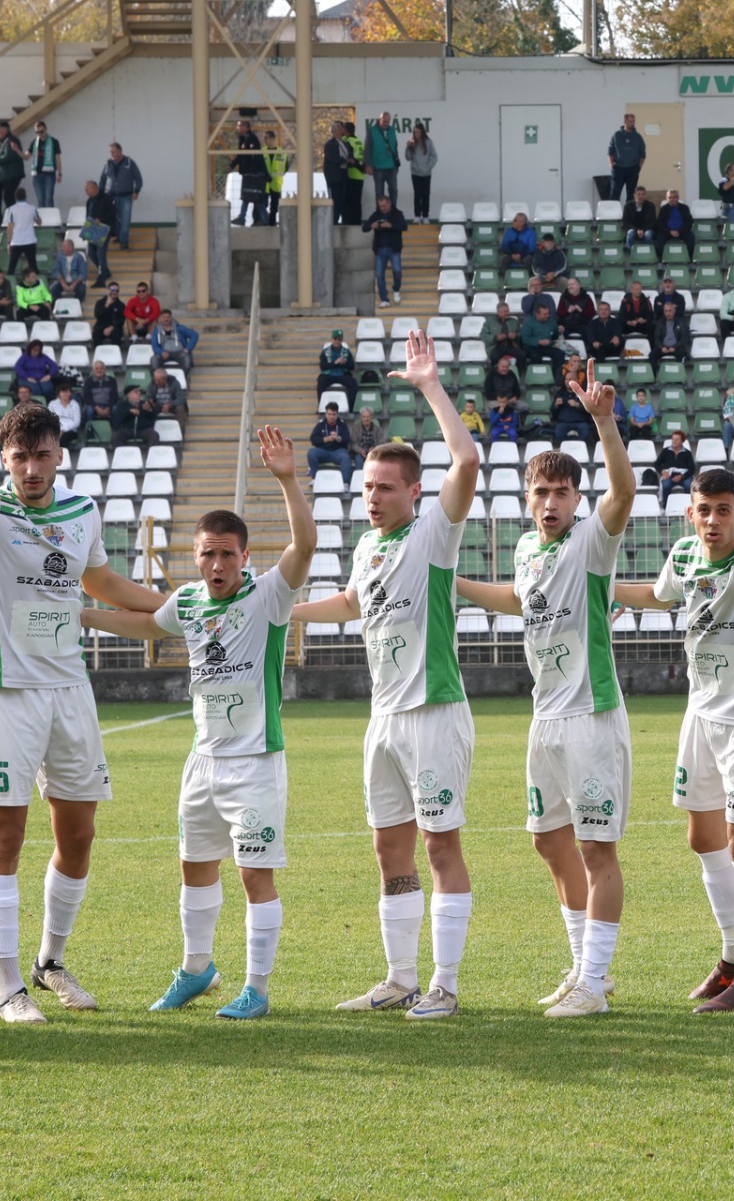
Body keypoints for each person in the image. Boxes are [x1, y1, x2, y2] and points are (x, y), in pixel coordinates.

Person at [0, 348, 167, 1024]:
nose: (30, 468)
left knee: (78, 834)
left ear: (59, 456)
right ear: (5, 459)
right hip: (7, 691)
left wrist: (177, 606)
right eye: (19, 457)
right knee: (5, 835)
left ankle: (49, 963)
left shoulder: (83, 511)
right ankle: (7, 987)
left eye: (41, 456)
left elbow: (100, 583)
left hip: (70, 691)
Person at [80, 429, 314, 1020]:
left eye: (227, 554)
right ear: (195, 555)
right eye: (207, 553)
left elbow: (305, 545)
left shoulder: (269, 596)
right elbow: (148, 625)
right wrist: (82, 614)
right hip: (202, 761)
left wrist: (287, 478)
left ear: (245, 557)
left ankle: (256, 989)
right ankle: (196, 970)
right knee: (194, 868)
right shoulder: (187, 601)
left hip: (255, 761)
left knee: (254, 875)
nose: (216, 564)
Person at [285, 333, 481, 1019]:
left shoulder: (435, 532)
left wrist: (429, 386)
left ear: (414, 491)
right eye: (367, 486)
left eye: (385, 487)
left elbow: (467, 459)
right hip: (385, 717)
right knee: (388, 844)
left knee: (439, 844)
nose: (371, 497)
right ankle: (399, 977)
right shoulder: (369, 544)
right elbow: (350, 603)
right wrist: (280, 609)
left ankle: (444, 983)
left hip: (433, 710)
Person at [450, 378, 636, 1015]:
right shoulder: (529, 547)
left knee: (595, 848)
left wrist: (604, 422)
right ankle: (584, 967)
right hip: (545, 716)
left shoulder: (592, 541)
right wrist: (452, 581)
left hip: (590, 715)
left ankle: (596, 983)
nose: (550, 502)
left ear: (576, 498)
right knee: (549, 840)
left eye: (561, 492)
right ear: (527, 498)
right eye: (541, 492)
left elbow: (624, 493)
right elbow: (516, 599)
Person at [614, 417, 734, 1012]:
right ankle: (731, 958)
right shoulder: (686, 554)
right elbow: (657, 594)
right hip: (701, 714)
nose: (713, 520)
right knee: (702, 836)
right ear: (690, 514)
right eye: (704, 510)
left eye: (723, 510)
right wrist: (597, 586)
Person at [363, 195, 408, 308]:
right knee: (379, 274)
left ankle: (396, 289)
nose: (382, 208)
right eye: (380, 206)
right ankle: (384, 299)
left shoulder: (397, 214)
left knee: (397, 270)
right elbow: (364, 228)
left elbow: (404, 226)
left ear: (389, 203)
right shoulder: (376, 215)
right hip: (380, 249)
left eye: (384, 206)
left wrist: (390, 225)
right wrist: (372, 225)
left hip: (394, 248)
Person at [100, 143, 143, 252]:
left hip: (126, 197)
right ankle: (119, 238)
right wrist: (101, 194)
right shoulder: (108, 163)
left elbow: (138, 178)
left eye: (113, 152)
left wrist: (136, 191)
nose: (111, 154)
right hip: (110, 197)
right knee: (115, 220)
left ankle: (124, 243)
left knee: (125, 220)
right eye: (110, 152)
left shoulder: (129, 163)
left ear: (120, 151)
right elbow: (103, 179)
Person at [230, 119, 267, 227]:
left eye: (239, 126)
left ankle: (260, 218)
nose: (237, 128)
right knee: (249, 195)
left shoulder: (250, 138)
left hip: (253, 174)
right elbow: (241, 155)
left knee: (254, 196)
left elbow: (253, 156)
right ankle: (244, 217)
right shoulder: (243, 139)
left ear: (246, 127)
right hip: (249, 173)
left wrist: (252, 171)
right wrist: (232, 165)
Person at [360, 112, 399, 208]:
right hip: (378, 167)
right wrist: (368, 164)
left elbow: (395, 147)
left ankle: (393, 211)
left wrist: (396, 164)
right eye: (384, 121)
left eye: (388, 121)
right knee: (379, 192)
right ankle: (380, 212)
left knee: (393, 190)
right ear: (379, 120)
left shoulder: (392, 130)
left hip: (391, 166)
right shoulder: (372, 130)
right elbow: (367, 148)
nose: (386, 123)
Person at [0, 125, 25, 216]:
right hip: (7, 175)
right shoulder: (5, 141)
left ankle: (13, 216)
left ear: (5, 130)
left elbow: (8, 156)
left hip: (12, 174)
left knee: (8, 196)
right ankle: (11, 216)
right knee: (7, 197)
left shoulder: (10, 140)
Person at [607, 114, 646, 205]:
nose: (632, 123)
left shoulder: (638, 137)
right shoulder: (617, 135)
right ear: (625, 122)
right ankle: (614, 212)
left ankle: (629, 212)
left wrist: (638, 167)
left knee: (631, 195)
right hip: (618, 168)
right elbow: (610, 152)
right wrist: (612, 166)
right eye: (630, 121)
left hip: (633, 168)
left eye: (633, 121)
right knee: (615, 193)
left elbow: (642, 155)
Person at [521, 296, 567, 370]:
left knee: (560, 354)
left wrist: (558, 331)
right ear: (537, 314)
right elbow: (525, 339)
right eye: (544, 314)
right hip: (532, 347)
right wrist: (538, 342)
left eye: (548, 313)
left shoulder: (551, 321)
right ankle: (537, 375)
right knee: (536, 356)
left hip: (547, 346)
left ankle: (555, 374)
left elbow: (554, 336)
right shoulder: (528, 322)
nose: (547, 316)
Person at [550, 374, 596, 446]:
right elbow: (553, 412)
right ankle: (566, 448)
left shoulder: (582, 393)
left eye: (570, 379)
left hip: (580, 423)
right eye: (566, 379)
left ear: (576, 381)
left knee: (585, 430)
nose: (568, 381)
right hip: (563, 422)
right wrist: (556, 405)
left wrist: (578, 405)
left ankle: (579, 447)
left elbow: (589, 410)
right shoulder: (559, 393)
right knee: (558, 431)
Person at [308, 403, 352, 476]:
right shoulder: (320, 425)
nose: (331, 417)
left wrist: (338, 438)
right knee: (311, 453)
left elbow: (347, 439)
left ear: (337, 414)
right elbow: (313, 439)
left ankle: (345, 481)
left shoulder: (342, 425)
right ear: (326, 414)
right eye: (329, 414)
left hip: (338, 451)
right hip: (323, 451)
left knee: (345, 456)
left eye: (334, 414)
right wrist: (326, 439)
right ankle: (314, 478)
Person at [404, 124, 437, 222]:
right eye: (415, 132)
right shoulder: (412, 143)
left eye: (418, 132)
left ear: (422, 132)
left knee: (426, 194)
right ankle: (417, 215)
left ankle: (425, 215)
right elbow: (408, 157)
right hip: (415, 173)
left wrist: (428, 167)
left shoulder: (428, 142)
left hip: (426, 174)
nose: (417, 134)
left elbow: (434, 156)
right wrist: (408, 147)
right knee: (417, 195)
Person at [4, 187, 40, 275]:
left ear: (15, 197)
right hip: (30, 240)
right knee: (33, 266)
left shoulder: (11, 209)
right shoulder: (32, 208)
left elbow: (10, 227)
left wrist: (8, 242)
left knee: (11, 267)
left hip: (17, 241)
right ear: (25, 196)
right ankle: (38, 281)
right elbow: (39, 222)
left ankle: (9, 281)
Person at [318, 329, 358, 407]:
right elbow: (323, 367)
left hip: (342, 375)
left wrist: (345, 363)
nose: (337, 341)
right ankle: (321, 406)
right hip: (329, 375)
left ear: (342, 340)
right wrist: (335, 362)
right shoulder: (325, 352)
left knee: (353, 383)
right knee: (321, 382)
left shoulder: (346, 351)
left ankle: (351, 407)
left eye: (339, 339)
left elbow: (352, 366)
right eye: (335, 339)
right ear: (332, 340)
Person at [112, 385, 160, 450]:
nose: (139, 393)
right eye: (136, 392)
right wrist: (129, 412)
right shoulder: (122, 405)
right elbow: (117, 419)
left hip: (143, 429)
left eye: (139, 392)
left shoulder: (146, 404)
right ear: (128, 395)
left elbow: (154, 417)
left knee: (153, 435)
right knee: (116, 436)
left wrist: (150, 410)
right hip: (127, 429)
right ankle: (121, 454)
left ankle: (151, 454)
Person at [28, 119, 62, 209]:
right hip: (37, 174)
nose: (40, 134)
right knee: (40, 200)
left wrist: (59, 173)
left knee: (48, 199)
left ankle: (51, 217)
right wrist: (17, 150)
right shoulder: (35, 142)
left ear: (46, 129)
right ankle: (42, 217)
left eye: (41, 131)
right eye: (37, 132)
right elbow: (27, 156)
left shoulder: (54, 141)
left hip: (49, 174)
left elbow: (57, 159)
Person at [654, 189, 695, 261]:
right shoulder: (663, 209)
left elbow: (689, 222)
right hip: (668, 232)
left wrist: (679, 231)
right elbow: (660, 224)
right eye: (670, 197)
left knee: (690, 238)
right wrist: (670, 231)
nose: (672, 199)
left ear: (678, 198)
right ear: (667, 198)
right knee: (659, 240)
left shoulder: (684, 208)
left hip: (682, 231)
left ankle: (690, 258)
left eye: (674, 197)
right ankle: (661, 259)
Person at [261, 129, 286, 227]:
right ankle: (263, 221)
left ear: (272, 139)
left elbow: (285, 167)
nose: (264, 140)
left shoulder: (281, 152)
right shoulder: (262, 152)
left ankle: (272, 223)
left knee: (274, 207)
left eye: (266, 138)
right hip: (264, 183)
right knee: (262, 204)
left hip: (276, 183)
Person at [51, 238, 88, 303]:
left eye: (64, 246)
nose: (62, 248)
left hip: (76, 281)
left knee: (81, 289)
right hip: (63, 281)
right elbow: (56, 271)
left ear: (71, 247)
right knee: (53, 289)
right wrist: (63, 284)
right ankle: (59, 305)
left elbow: (83, 273)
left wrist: (73, 284)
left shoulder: (79, 257)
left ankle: (76, 305)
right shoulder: (59, 257)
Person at [622, 186, 657, 253]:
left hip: (647, 229)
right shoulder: (628, 206)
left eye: (643, 194)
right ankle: (629, 253)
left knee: (648, 235)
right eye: (639, 194)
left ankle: (645, 254)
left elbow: (653, 222)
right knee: (630, 233)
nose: (641, 196)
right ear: (634, 195)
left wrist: (643, 230)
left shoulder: (651, 206)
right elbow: (626, 222)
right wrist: (636, 230)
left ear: (645, 195)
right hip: (633, 229)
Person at [49, 382, 84, 449]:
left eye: (67, 392)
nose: (65, 394)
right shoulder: (52, 404)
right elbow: (49, 419)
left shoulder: (75, 404)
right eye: (63, 392)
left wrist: (63, 429)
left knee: (64, 438)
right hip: (56, 429)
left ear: (70, 393)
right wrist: (59, 429)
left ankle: (62, 454)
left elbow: (76, 422)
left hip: (70, 430)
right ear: (59, 393)